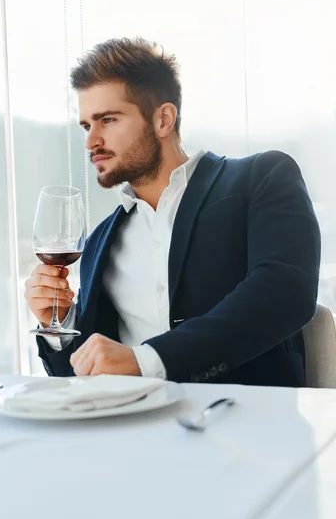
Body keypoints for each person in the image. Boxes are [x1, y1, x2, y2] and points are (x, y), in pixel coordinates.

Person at [25, 37, 321, 387]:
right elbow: (79, 378)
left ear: (163, 119)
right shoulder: (98, 243)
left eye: (108, 119)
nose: (91, 142)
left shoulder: (261, 178)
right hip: (131, 431)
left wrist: (147, 361)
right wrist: (55, 323)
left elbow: (285, 292)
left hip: (246, 425)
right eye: (87, 126)